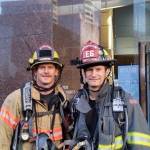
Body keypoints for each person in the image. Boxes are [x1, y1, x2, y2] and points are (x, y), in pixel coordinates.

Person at [71, 41, 150, 150]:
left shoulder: (125, 101)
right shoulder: (76, 102)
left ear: (107, 71)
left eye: (98, 69)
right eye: (89, 70)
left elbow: (141, 145)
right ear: (83, 73)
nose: (94, 74)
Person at [0, 45, 71, 150]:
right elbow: (2, 140)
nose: (46, 71)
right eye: (42, 67)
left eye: (50, 67)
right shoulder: (15, 100)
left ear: (56, 71)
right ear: (35, 71)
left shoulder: (64, 100)